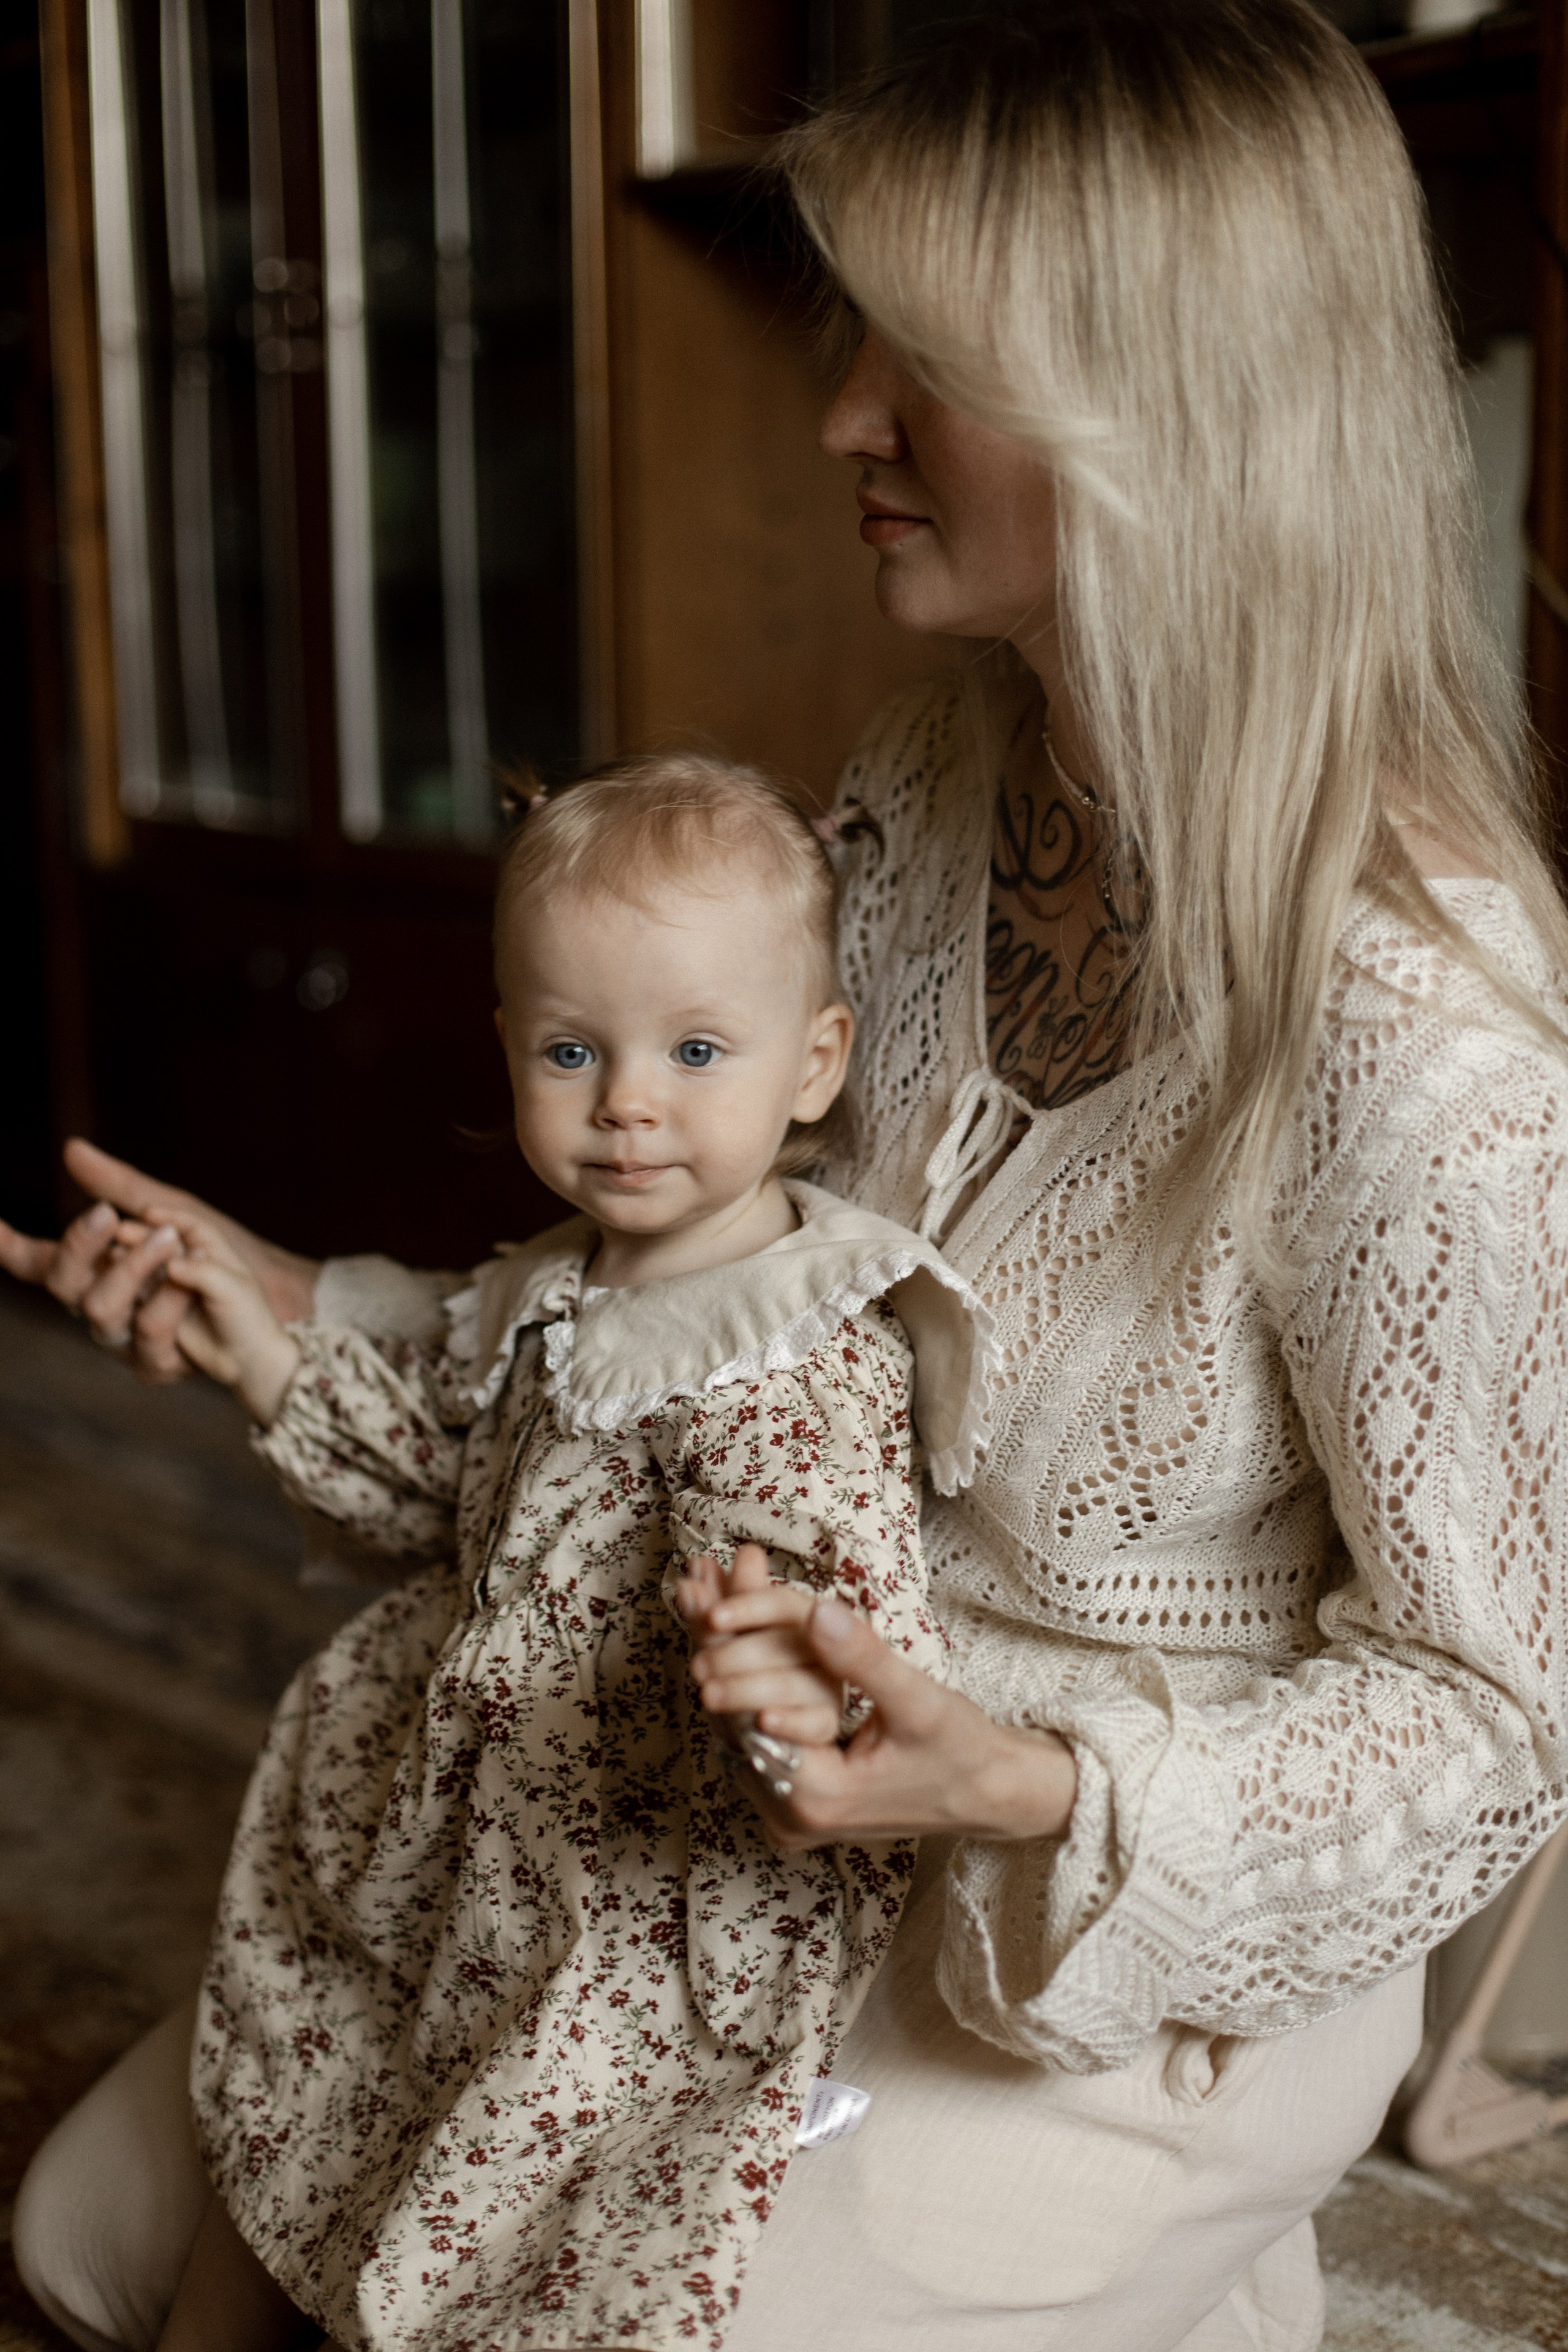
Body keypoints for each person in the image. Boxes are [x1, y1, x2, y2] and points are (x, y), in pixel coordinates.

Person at [7, 4, 1568, 2346]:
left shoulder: (1433, 1031)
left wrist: (1032, 1786)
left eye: (916, 360)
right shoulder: (938, 769)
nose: (842, 411)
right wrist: (300, 1309)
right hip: (716, 1813)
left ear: (1170, 410)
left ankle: (1195, 2255)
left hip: (1095, 1927)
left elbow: (1487, 1716)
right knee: (124, 2229)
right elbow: (719, 1286)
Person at [19, 756, 1001, 2352]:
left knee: (499, 2219)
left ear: (815, 1065)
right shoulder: (558, 1288)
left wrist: (776, 1660)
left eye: (696, 1050)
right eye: (572, 1050)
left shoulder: (791, 1346)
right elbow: (449, 1496)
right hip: (460, 1846)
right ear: (509, 1049)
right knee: (310, 2108)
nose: (627, 1100)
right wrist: (266, 1360)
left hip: (634, 1892)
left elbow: (831, 1589)